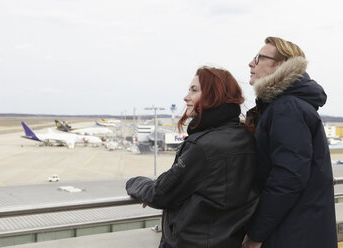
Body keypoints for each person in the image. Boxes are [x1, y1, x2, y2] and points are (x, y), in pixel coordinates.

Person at [126, 66, 258, 248]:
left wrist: (135, 183)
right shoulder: (245, 136)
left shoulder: (203, 147)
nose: (186, 97)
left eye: (194, 90)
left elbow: (160, 193)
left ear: (214, 95)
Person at [242, 37, 337, 248]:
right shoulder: (285, 106)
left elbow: (288, 178)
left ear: (282, 64)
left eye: (258, 58)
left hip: (291, 234)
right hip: (300, 230)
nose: (251, 63)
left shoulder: (287, 108)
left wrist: (256, 235)